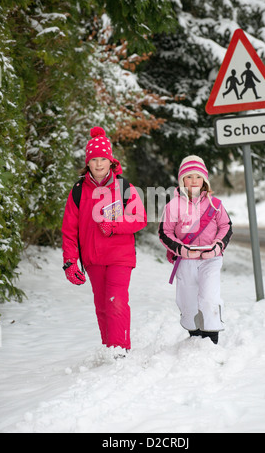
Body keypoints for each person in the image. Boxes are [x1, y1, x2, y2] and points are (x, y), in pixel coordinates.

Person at [62, 126, 147, 357]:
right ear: (87, 163)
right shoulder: (78, 191)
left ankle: (120, 351)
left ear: (111, 161)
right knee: (102, 306)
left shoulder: (124, 187)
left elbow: (140, 218)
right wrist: (70, 262)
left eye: (103, 159)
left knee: (116, 301)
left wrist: (115, 226)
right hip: (93, 259)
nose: (99, 164)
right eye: (94, 160)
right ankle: (109, 348)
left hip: (120, 257)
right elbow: (69, 231)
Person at [158, 156, 232, 344]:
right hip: (186, 259)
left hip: (211, 258)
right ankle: (195, 335)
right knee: (188, 299)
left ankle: (211, 337)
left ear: (204, 181)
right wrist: (182, 250)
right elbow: (165, 232)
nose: (193, 181)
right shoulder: (172, 206)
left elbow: (226, 227)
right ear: (182, 180)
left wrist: (217, 247)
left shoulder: (215, 204)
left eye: (198, 177)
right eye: (188, 177)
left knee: (209, 296)